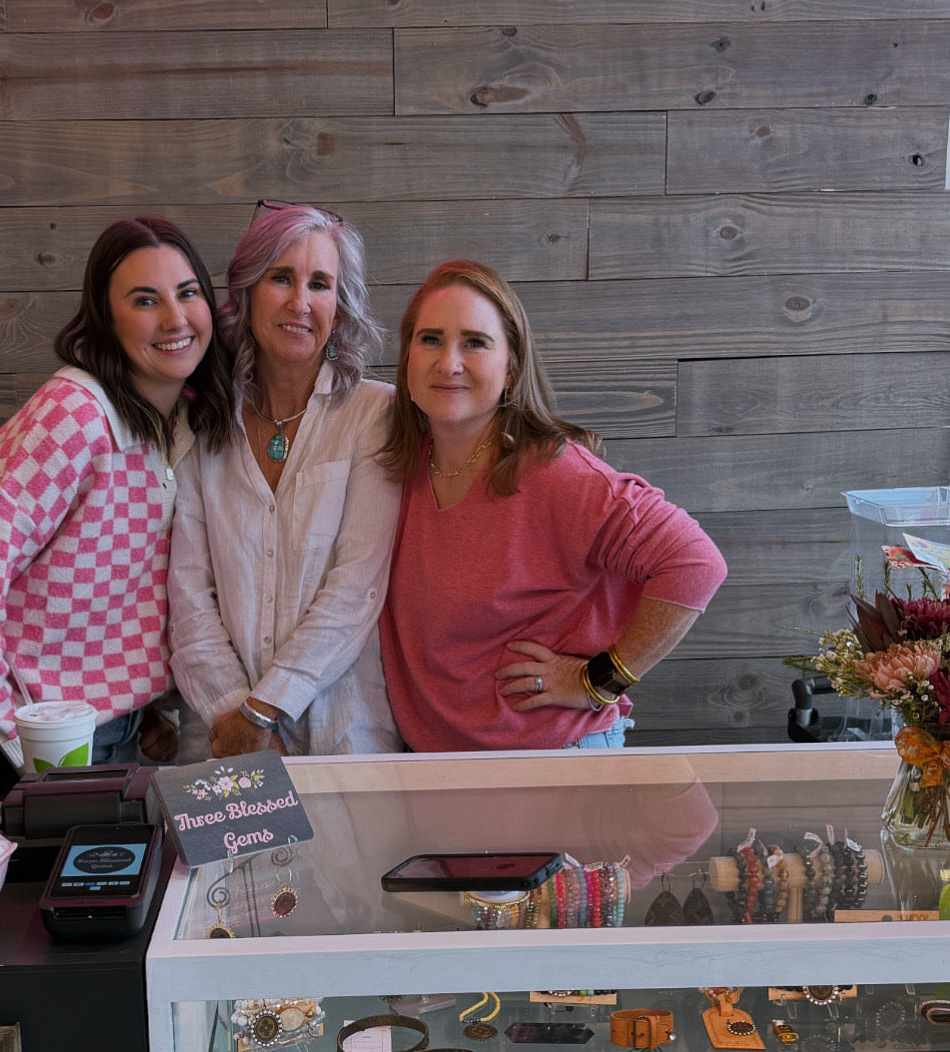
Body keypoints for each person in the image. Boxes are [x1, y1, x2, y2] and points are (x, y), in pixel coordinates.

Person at [0, 217, 234, 765]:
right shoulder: (72, 418)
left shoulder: (180, 420)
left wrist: (147, 702)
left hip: (124, 729)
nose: (175, 319)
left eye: (188, 293)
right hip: (48, 741)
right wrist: (5, 741)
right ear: (106, 320)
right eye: (144, 301)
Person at [379, 260, 726, 752]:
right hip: (436, 766)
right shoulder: (396, 467)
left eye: (475, 342)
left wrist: (600, 681)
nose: (448, 362)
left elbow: (696, 563)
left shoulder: (555, 474)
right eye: (430, 339)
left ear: (512, 367)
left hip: (553, 758)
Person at [169, 202, 401, 757]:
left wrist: (265, 708)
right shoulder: (202, 420)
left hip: (345, 731)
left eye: (320, 283)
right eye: (281, 278)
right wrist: (236, 715)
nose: (300, 302)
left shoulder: (374, 413)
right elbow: (188, 593)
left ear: (340, 308)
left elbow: (357, 587)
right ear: (246, 294)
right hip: (222, 732)